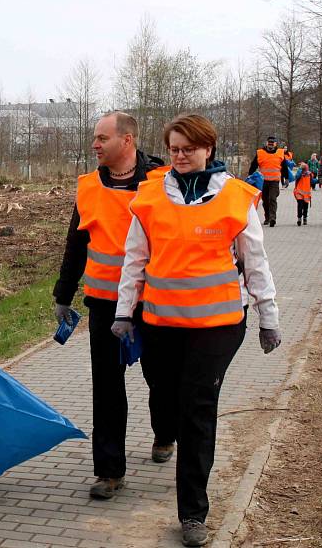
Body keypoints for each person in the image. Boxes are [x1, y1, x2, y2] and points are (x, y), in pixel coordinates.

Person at [113, 114, 281, 547]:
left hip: (217, 325)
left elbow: (255, 261)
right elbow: (135, 258)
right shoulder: (149, 196)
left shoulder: (236, 198)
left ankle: (192, 512)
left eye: (189, 148)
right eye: (174, 148)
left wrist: (269, 317)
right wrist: (123, 311)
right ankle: (163, 432)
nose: (181, 156)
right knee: (163, 394)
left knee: (198, 408)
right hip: (162, 322)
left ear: (209, 148)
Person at [53, 111, 172, 500]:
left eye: (102, 138)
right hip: (104, 303)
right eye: (94, 138)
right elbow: (76, 243)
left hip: (153, 301)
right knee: (106, 386)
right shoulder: (88, 187)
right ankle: (109, 471)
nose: (95, 144)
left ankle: (165, 430)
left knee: (161, 376)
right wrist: (62, 293)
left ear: (128, 139)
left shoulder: (162, 181)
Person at [248, 136, 289, 227]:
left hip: (274, 181)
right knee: (265, 200)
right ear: (266, 143)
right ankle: (267, 217)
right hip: (263, 181)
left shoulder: (280, 153)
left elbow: (285, 168)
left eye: (272, 143)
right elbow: (253, 165)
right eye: (269, 143)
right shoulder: (260, 153)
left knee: (272, 199)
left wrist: (286, 179)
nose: (270, 145)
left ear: (275, 144)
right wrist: (250, 176)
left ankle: (272, 218)